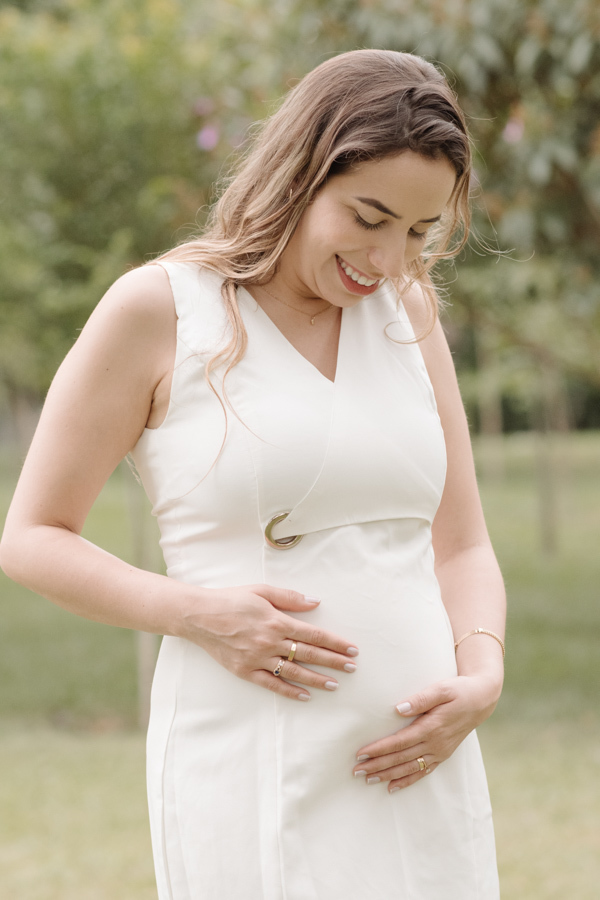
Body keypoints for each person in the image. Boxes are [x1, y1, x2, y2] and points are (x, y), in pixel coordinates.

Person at [0, 49, 506, 898]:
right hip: (250, 757)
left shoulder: (410, 313)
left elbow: (462, 546)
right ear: (301, 174)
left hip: (423, 768)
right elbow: (31, 537)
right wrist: (195, 614)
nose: (388, 259)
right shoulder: (161, 309)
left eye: (419, 232)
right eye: (369, 217)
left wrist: (482, 677)